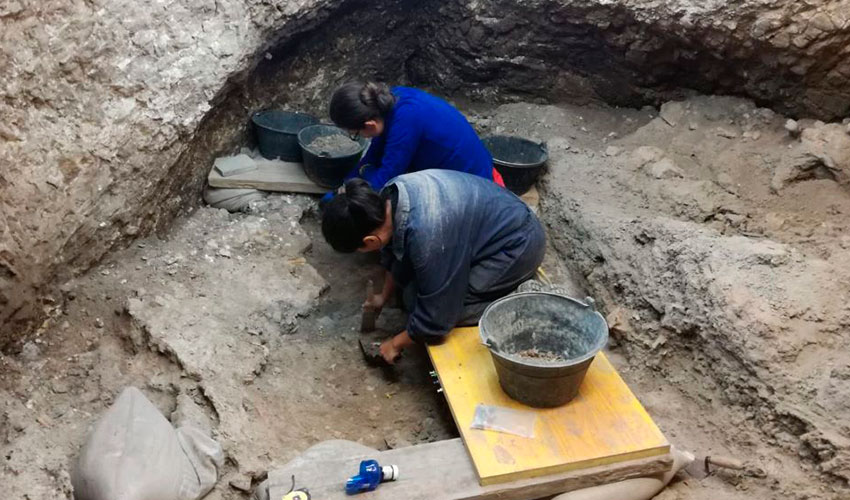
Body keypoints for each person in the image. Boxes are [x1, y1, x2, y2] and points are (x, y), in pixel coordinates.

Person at [322, 170, 545, 364]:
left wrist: (395, 344)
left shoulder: (427, 237)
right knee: (412, 294)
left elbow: (436, 320)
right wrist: (383, 296)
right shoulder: (390, 196)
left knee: (427, 305)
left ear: (370, 240)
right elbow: (394, 252)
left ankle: (519, 298)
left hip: (518, 245)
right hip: (485, 229)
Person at [323, 82, 503, 201]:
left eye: (355, 134)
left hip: (474, 188)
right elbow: (375, 153)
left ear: (370, 124)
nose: (358, 137)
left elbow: (384, 182)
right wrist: (346, 183)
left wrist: (361, 179)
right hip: (471, 167)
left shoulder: (405, 125)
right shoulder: (391, 100)